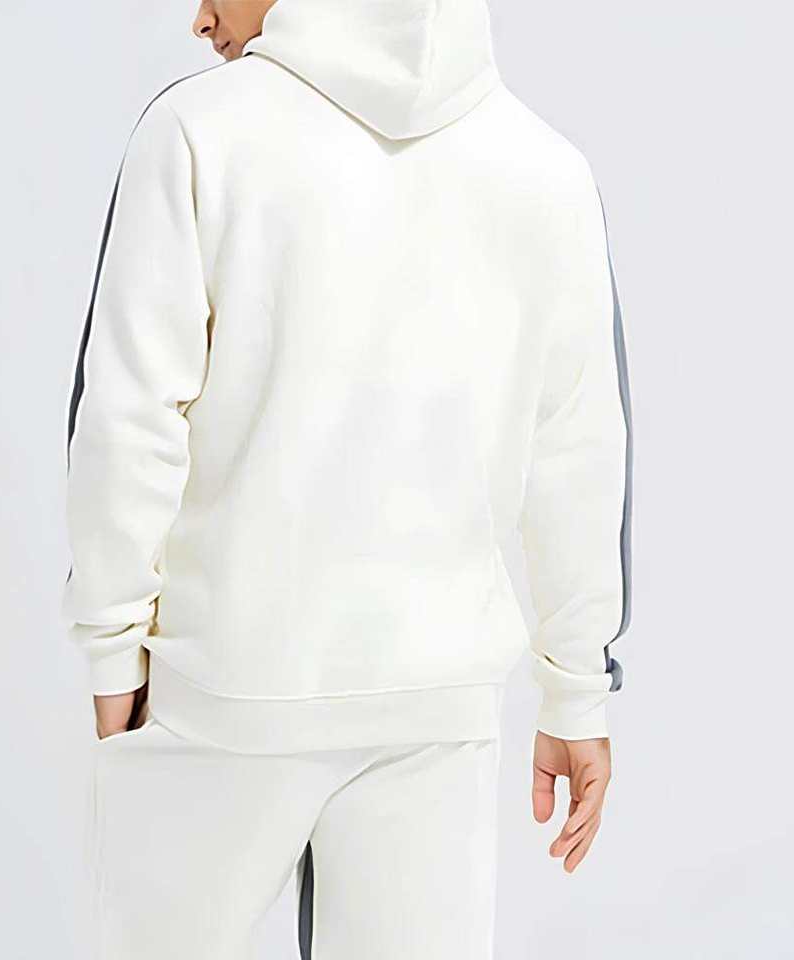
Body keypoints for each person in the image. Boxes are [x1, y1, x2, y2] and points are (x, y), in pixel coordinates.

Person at [62, 0, 633, 956]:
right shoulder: (548, 170)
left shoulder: (197, 131)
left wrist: (113, 648)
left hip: (220, 694)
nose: (200, 18)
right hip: (439, 710)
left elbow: (129, 417)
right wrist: (576, 691)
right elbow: (577, 453)